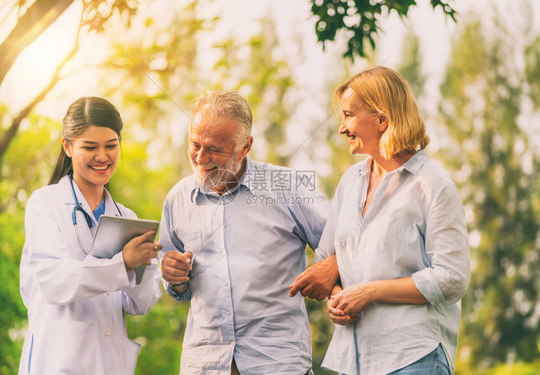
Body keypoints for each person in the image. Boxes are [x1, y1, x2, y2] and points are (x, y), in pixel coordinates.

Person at [159, 90, 338, 374]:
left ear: (245, 146)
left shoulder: (288, 186)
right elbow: (177, 289)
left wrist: (332, 263)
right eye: (195, 144)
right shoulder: (178, 199)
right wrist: (174, 277)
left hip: (276, 363)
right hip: (204, 364)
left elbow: (346, 242)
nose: (201, 157)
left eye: (215, 148)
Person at [318, 66, 471, 374]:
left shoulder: (432, 184)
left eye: (348, 115)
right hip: (354, 360)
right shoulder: (350, 181)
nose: (341, 127)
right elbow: (327, 260)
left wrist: (369, 292)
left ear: (382, 119)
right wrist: (337, 299)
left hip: (414, 357)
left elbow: (452, 278)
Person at [18, 97, 163, 375]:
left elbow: (140, 303)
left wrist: (146, 266)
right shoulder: (45, 204)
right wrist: (122, 263)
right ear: (68, 146)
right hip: (57, 362)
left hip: (110, 364)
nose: (102, 157)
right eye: (90, 147)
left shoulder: (127, 217)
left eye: (111, 145)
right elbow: (54, 281)